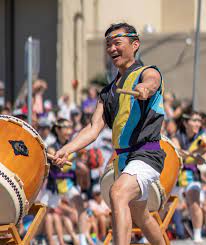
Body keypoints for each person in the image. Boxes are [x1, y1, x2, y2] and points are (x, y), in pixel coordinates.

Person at [53, 22, 166, 245]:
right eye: (108, 45)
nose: (111, 49)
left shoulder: (147, 72)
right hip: (124, 159)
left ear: (135, 44)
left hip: (146, 154)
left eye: (117, 43)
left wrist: (146, 88)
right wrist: (66, 149)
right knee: (140, 216)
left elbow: (152, 82)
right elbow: (93, 129)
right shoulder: (107, 92)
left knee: (118, 193)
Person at [171, 111, 206, 243]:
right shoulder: (177, 137)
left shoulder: (202, 137)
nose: (198, 123)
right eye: (195, 120)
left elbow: (201, 159)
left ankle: (197, 234)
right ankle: (149, 234)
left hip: (192, 174)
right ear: (185, 122)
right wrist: (193, 154)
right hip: (176, 174)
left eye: (199, 120)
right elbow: (178, 153)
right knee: (163, 206)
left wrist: (193, 156)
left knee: (194, 200)